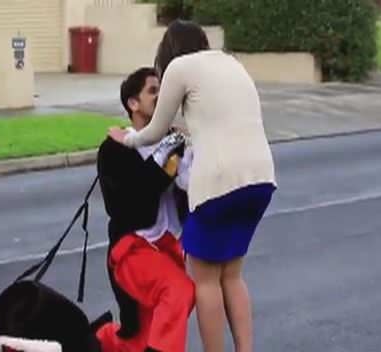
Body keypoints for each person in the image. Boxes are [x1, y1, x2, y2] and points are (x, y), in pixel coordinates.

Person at [108, 20, 277, 352]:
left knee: (206, 281)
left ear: (168, 51)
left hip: (217, 185)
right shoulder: (231, 62)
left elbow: (155, 131)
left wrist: (128, 140)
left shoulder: (180, 68)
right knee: (232, 275)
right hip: (260, 179)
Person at [95, 67, 195, 352]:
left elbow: (191, 188)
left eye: (163, 90)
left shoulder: (175, 142)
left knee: (140, 340)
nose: (161, 95)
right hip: (133, 249)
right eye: (153, 90)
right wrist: (165, 157)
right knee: (179, 292)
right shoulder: (114, 149)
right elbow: (132, 202)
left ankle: (100, 341)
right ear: (133, 104)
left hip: (168, 250)